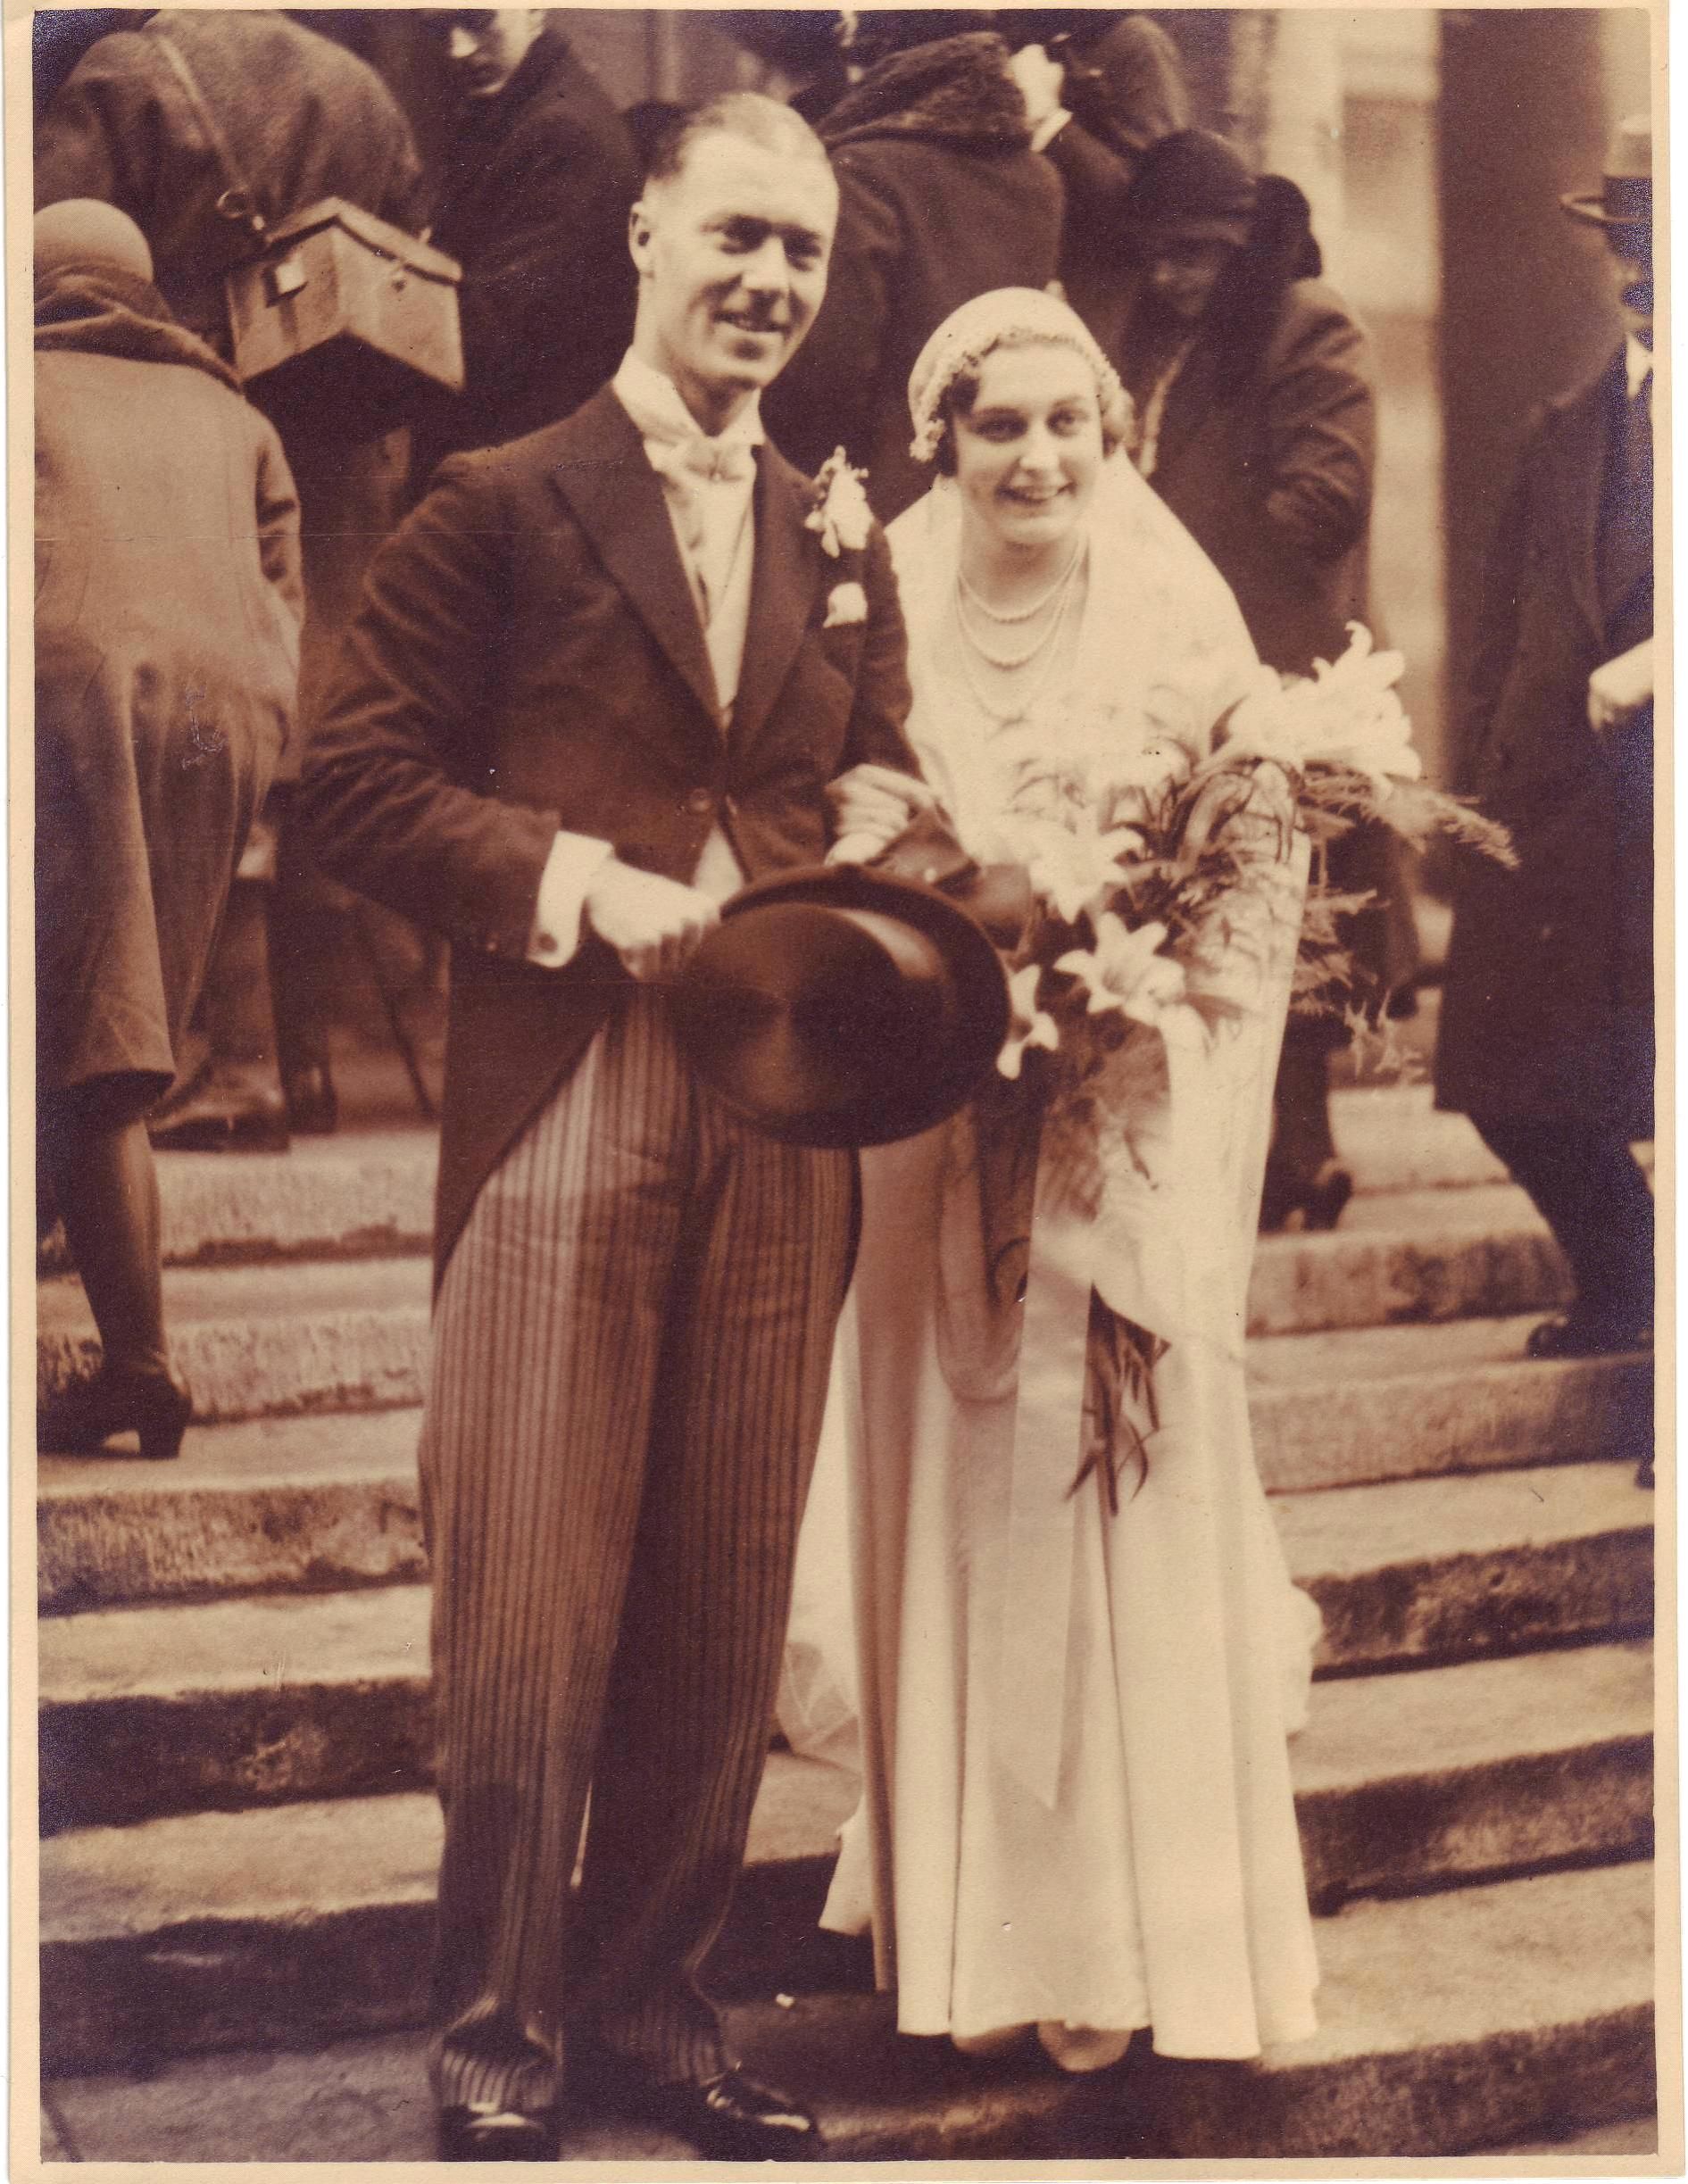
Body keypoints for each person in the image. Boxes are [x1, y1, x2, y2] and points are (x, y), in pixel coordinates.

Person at [300, 93, 934, 2162]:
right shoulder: (499, 499)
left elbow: (872, 768)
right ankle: (496, 2033)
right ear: (647, 235)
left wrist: (879, 819)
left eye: (801, 251)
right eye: (735, 233)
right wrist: (580, 878)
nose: (767, 279)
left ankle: (656, 2009)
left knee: (722, 1590)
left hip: (784, 1098)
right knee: (529, 1597)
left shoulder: (838, 529)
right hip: (568, 1080)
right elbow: (353, 782)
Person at [804, 287, 1320, 2070]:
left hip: (1115, 1124)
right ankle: (973, 1936)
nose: (1035, 457)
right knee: (954, 1478)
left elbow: (1254, 851)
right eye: (997, 425)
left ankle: (1127, 1937)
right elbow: (847, 830)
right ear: (941, 441)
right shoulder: (882, 602)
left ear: (1112, 437)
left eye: (1066, 424)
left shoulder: (1172, 610)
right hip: (928, 1127)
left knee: (1122, 1497)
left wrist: (1146, 1010)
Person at [37, 8, 427, 1143]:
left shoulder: (125, 74)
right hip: (342, 457)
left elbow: (59, 273)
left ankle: (223, 1065)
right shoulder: (361, 87)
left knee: (196, 761)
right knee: (291, 754)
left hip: (189, 453)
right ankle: (301, 1065)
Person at [35, 198, 301, 1459]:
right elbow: (283, 595)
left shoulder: (23, 384)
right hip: (218, 727)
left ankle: (139, 1365)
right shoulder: (236, 414)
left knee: (94, 1038)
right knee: (118, 1025)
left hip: (66, 705)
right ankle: (123, 1350)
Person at [1116, 129, 1413, 1231]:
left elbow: (1326, 496)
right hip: (1188, 671)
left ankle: (1303, 1155)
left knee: (1296, 911)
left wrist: (1183, 590)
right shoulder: (1166, 342)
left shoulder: (1306, 320)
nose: (1172, 275)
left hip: (1284, 667)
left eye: (1197, 253)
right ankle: (1268, 1160)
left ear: (1243, 244)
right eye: (1158, 254)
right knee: (1221, 912)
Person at [1434, 118, 1655, 1375]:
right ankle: (1629, 1286)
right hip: (1557, 810)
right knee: (1506, 1076)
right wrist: (1472, 793)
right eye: (1626, 239)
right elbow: (1501, 625)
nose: (1640, 266)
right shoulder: (1568, 425)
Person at [761, 15, 1062, 522]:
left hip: (873, 501)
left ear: (887, 57)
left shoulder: (864, 171)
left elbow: (826, 372)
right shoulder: (1041, 179)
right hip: (993, 485)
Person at [408, 11, 638, 479]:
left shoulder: (564, 134)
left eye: (478, 20)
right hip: (509, 455)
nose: (459, 49)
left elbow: (493, 333)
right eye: (441, 29)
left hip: (529, 465)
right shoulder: (515, 111)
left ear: (535, 9)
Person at [999, 11, 1190, 354]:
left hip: (1101, 292)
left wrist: (1050, 120)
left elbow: (1156, 196)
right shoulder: (1020, 36)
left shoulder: (1133, 42)